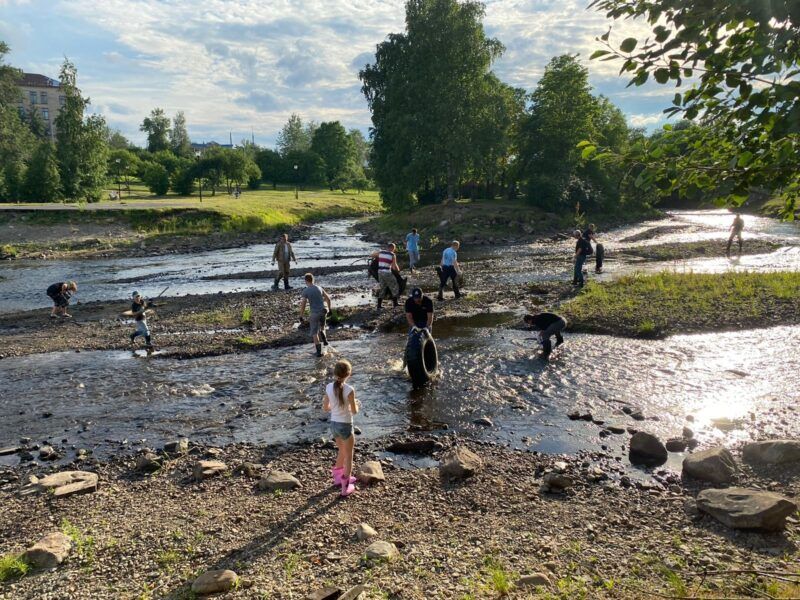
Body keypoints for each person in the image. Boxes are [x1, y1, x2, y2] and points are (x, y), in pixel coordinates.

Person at [323, 359, 360, 497]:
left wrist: (336, 406)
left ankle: (338, 477)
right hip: (345, 424)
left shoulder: (328, 387)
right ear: (348, 374)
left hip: (333, 425)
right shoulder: (350, 390)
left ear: (335, 373)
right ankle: (346, 486)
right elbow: (354, 411)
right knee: (349, 455)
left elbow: (326, 408)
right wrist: (355, 404)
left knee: (342, 451)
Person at [299, 273, 332, 357]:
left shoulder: (306, 291)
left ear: (306, 281)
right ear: (313, 280)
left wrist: (301, 316)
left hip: (314, 313)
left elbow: (303, 304)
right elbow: (328, 298)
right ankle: (324, 339)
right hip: (323, 311)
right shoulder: (319, 288)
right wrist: (330, 309)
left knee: (314, 333)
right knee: (322, 327)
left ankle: (318, 352)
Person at [375, 243, 400, 309]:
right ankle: (395, 304)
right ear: (392, 248)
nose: (394, 250)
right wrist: (398, 270)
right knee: (394, 286)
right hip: (387, 273)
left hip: (380, 272)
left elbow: (372, 254)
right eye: (394, 249)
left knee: (383, 287)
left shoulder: (381, 252)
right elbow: (394, 267)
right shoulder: (392, 255)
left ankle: (379, 305)